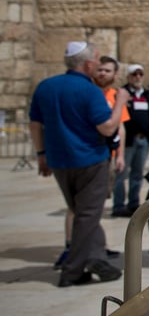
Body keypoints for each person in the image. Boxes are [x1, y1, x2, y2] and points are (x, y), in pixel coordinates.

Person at [28, 41, 129, 287]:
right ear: (88, 64)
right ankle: (72, 271)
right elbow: (106, 127)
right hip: (90, 161)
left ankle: (96, 258)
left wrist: (42, 154)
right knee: (87, 215)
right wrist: (119, 103)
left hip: (60, 162)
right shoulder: (89, 91)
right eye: (96, 60)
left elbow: (35, 124)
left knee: (80, 211)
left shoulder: (46, 87)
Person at [112, 63, 149, 217]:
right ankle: (118, 205)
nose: (137, 77)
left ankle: (133, 203)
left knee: (137, 174)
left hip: (143, 140)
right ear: (129, 77)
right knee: (121, 174)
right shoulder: (122, 93)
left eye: (140, 74)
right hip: (128, 140)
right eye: (134, 74)